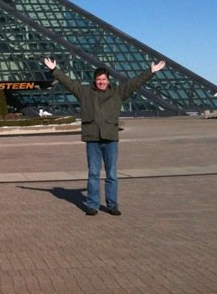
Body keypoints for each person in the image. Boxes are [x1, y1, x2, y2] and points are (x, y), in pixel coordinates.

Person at [43, 57, 166, 216]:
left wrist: (151, 71)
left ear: (108, 80)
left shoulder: (117, 93)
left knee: (112, 174)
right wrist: (54, 70)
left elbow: (134, 83)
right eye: (99, 79)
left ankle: (112, 205)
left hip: (110, 138)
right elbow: (69, 83)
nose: (101, 82)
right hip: (93, 138)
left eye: (104, 79)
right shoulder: (85, 93)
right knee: (93, 174)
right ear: (95, 81)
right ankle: (92, 205)